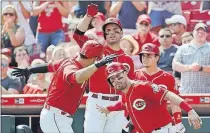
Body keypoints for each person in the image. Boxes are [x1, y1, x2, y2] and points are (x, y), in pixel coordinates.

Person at [12, 40, 116, 133]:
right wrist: (97, 65)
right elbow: (76, 77)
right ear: (94, 59)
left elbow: (48, 67)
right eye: (97, 59)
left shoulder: (68, 61)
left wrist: (30, 70)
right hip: (55, 116)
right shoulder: (71, 66)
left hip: (58, 117)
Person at [73, 4, 135, 133]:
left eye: (115, 30)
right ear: (104, 33)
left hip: (117, 105)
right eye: (108, 30)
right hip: (97, 101)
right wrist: (88, 16)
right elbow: (77, 35)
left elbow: (130, 89)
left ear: (122, 33)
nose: (112, 33)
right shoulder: (96, 49)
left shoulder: (127, 60)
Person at [98, 43, 186, 132]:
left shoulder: (167, 77)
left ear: (157, 57)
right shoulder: (134, 75)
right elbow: (125, 101)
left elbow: (174, 102)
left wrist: (178, 122)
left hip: (160, 123)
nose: (145, 58)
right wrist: (110, 108)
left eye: (148, 56)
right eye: (143, 56)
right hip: (139, 124)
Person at [98, 62, 202, 133]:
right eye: (112, 79)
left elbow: (169, 95)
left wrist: (190, 110)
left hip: (162, 130)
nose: (116, 80)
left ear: (125, 73)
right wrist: (108, 109)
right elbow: (124, 104)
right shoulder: (125, 93)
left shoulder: (142, 86)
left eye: (118, 76)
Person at [172, 23, 210, 93]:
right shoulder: (183, 48)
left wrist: (201, 68)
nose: (200, 33)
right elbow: (175, 65)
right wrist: (189, 67)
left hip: (206, 91)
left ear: (207, 34)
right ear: (193, 32)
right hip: (186, 91)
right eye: (198, 31)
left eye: (203, 32)